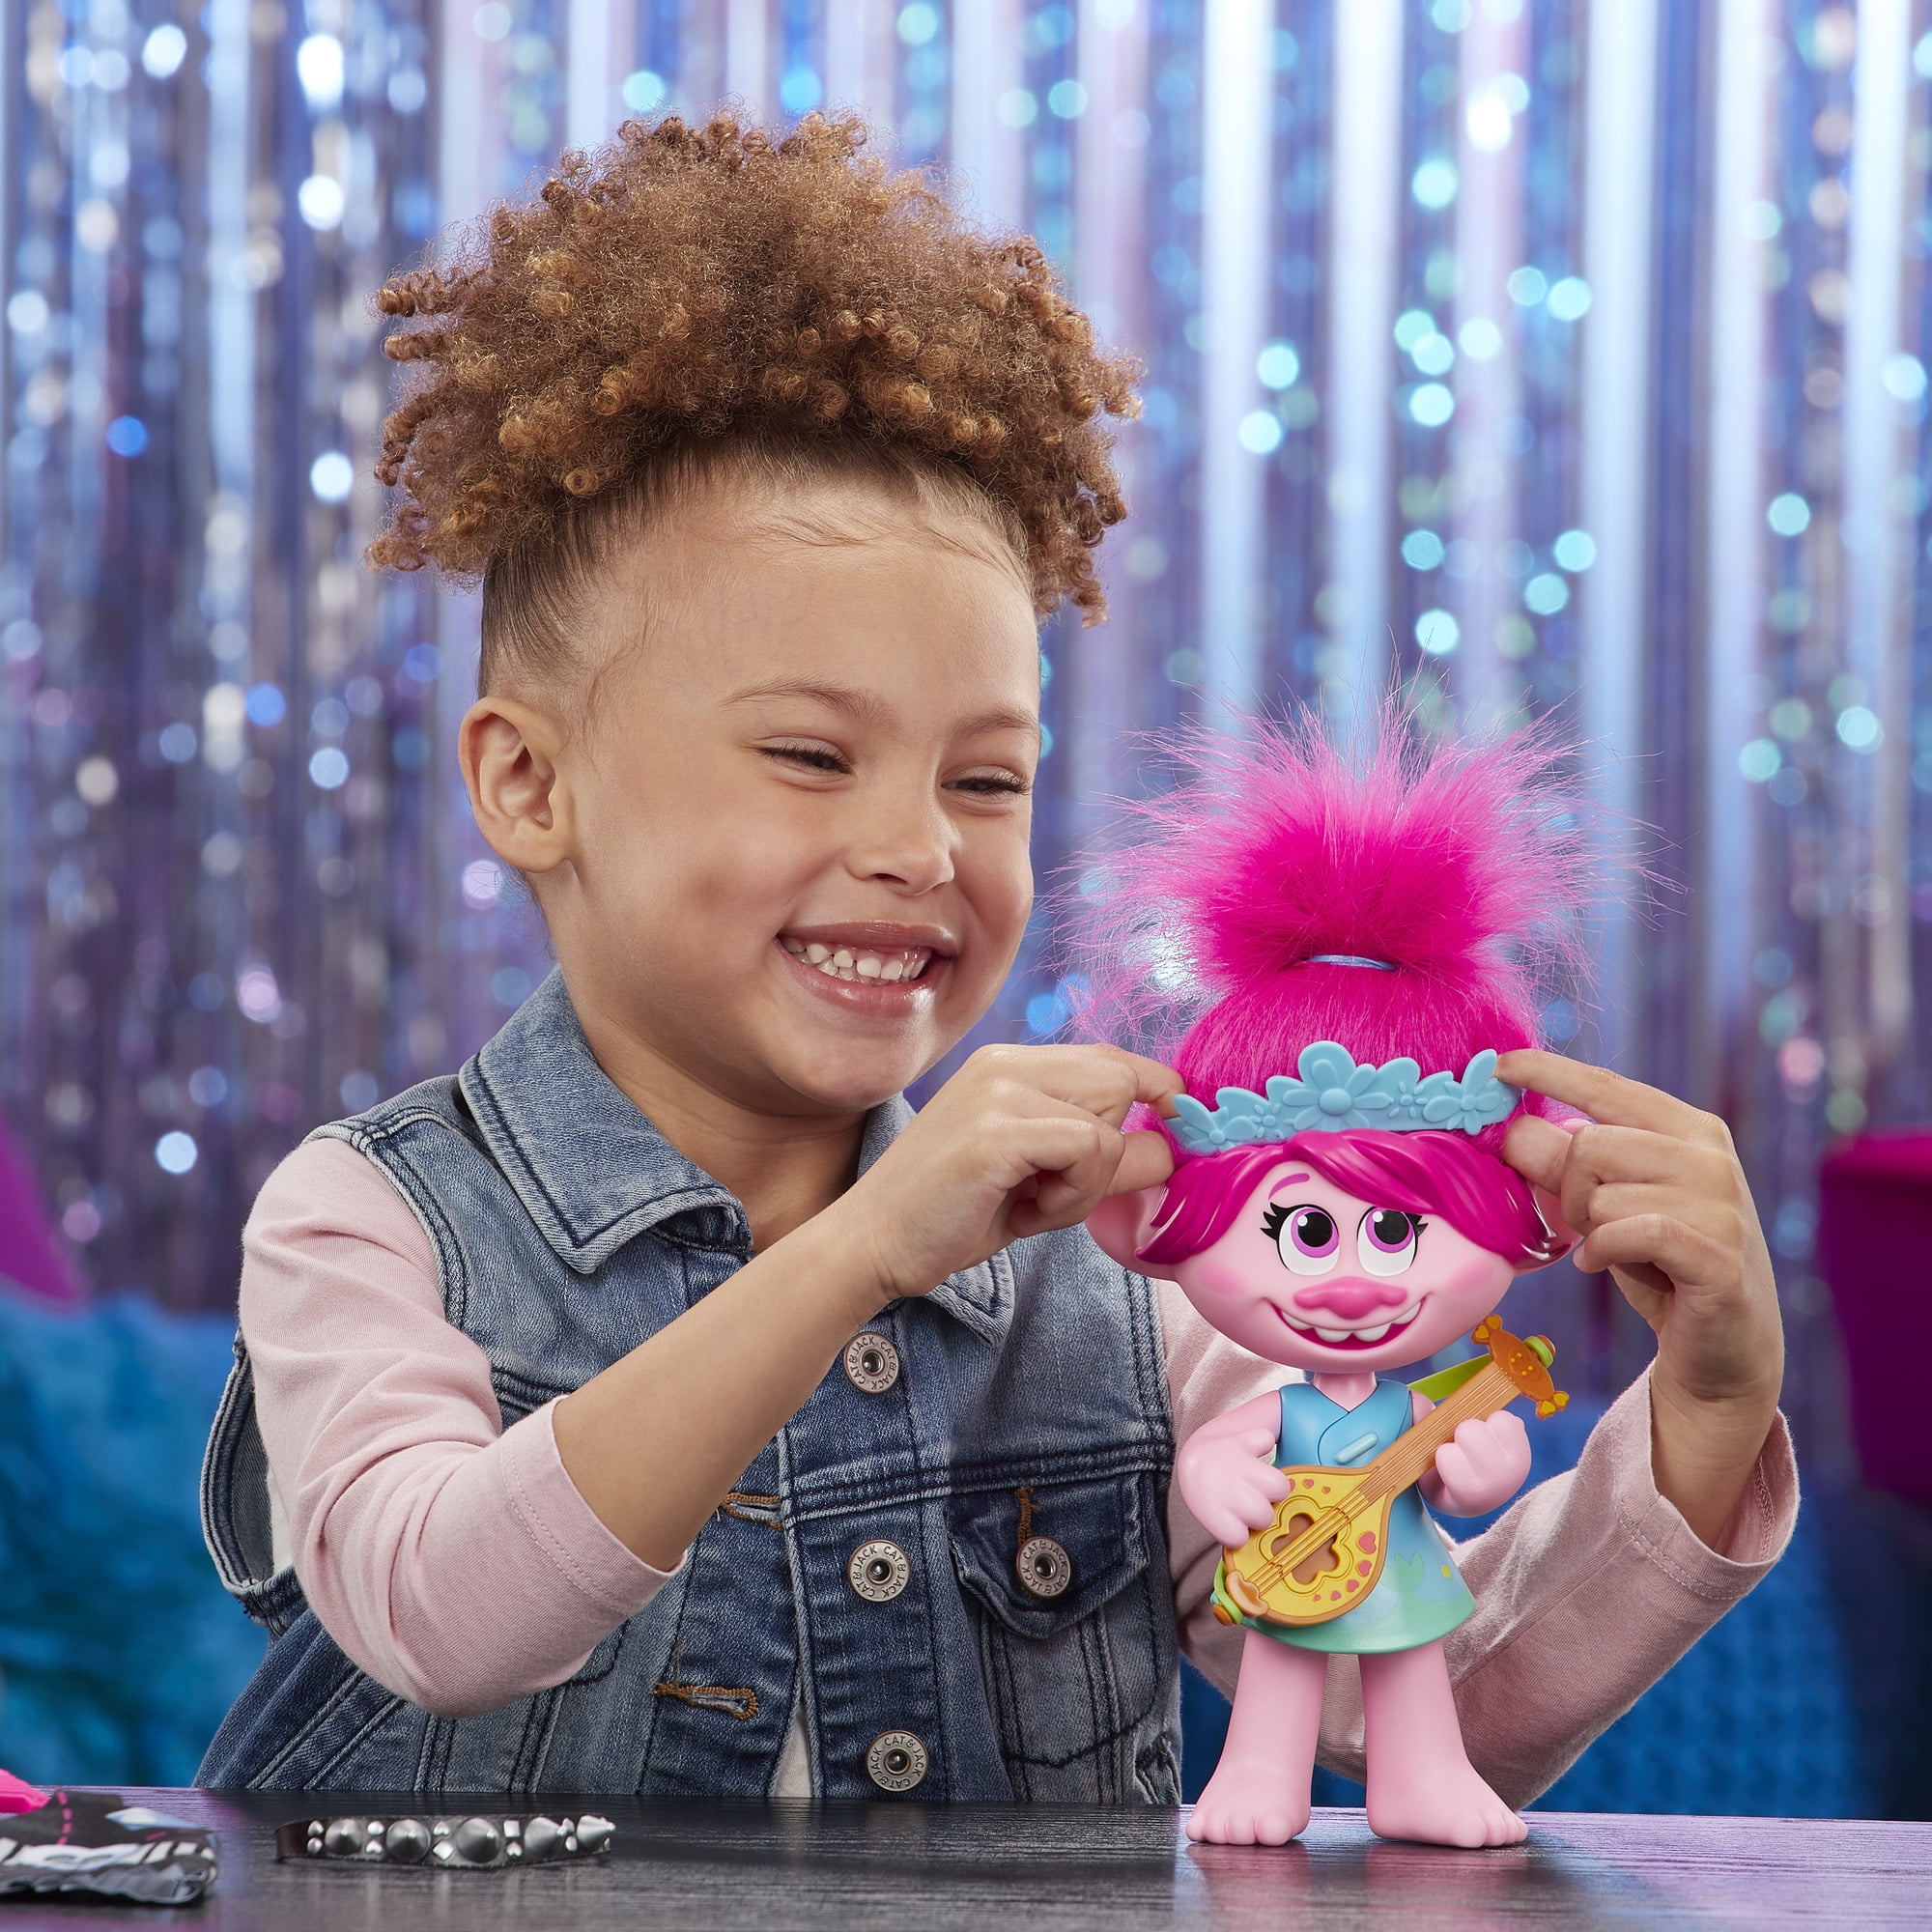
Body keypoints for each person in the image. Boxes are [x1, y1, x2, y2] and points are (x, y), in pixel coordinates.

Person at [198, 113, 1793, 1819]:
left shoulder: (1133, 1295)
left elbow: (1428, 1704)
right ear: (531, 783)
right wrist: (861, 1252)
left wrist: (1705, 1410)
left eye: (987, 780)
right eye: (811, 756)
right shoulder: (367, 1222)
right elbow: (434, 1608)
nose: (922, 847)